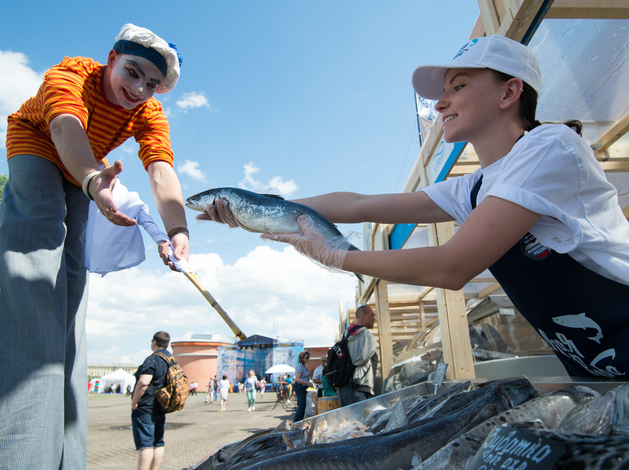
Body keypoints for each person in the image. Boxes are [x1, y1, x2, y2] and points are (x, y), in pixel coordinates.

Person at [202, 35, 629, 380]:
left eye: (458, 87)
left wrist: (339, 256)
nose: (441, 103)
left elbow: (452, 266)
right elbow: (357, 204)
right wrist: (251, 209)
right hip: (598, 371)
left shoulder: (549, 146)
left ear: (510, 92)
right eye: (442, 92)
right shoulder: (474, 187)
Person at [0, 24, 189, 469]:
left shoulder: (149, 111)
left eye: (151, 84)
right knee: (35, 268)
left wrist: (177, 231)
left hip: (88, 178)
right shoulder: (72, 73)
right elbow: (65, 126)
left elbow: (161, 170)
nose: (139, 88)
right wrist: (92, 182)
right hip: (39, 146)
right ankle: (23, 452)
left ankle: (66, 454)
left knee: (71, 290)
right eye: (132, 72)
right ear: (111, 58)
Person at [131, 331, 172, 470]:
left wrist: (134, 402)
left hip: (146, 406)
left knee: (146, 444)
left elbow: (143, 382)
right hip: (161, 405)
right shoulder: (170, 359)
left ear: (154, 342)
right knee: (158, 442)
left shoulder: (153, 359)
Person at [337, 305, 378, 406]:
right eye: (372, 315)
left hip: (344, 386)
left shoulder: (346, 334)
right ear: (363, 317)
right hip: (358, 387)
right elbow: (362, 359)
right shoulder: (366, 334)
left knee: (348, 421)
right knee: (361, 420)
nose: (374, 318)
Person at [293, 351, 313, 422]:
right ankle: (296, 423)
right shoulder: (300, 366)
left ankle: (299, 422)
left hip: (303, 387)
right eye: (306, 357)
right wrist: (307, 383)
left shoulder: (304, 366)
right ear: (302, 358)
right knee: (301, 406)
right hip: (299, 386)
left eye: (308, 357)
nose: (308, 359)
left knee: (303, 406)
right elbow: (297, 379)